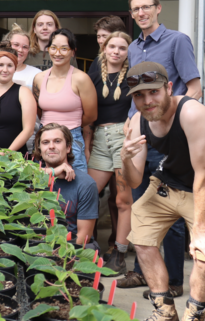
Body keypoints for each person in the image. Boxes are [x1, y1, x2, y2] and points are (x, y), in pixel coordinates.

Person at [118, 0, 202, 297]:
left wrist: (175, 120)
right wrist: (131, 122)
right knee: (142, 206)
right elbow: (137, 93)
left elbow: (194, 86)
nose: (140, 13)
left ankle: (175, 281)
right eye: (135, 9)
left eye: (145, 7)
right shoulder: (133, 47)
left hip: (168, 138)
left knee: (172, 210)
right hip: (140, 135)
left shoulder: (177, 41)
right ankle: (143, 274)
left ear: (157, 9)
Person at [121, 61, 205, 321]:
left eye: (154, 91)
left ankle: (194, 313)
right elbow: (133, 180)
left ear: (169, 88)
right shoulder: (139, 120)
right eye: (139, 95)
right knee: (141, 236)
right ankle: (164, 310)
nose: (147, 100)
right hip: (168, 183)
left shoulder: (191, 113)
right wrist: (125, 158)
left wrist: (198, 231)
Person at [87, 31, 133, 274]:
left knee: (122, 200)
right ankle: (86, 245)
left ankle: (119, 251)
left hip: (123, 139)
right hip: (99, 139)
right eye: (111, 46)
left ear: (128, 52)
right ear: (104, 49)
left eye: (122, 48)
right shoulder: (93, 77)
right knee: (88, 193)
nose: (116, 51)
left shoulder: (133, 77)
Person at [32, 28, 97, 172]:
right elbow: (38, 110)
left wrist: (69, 126)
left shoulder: (82, 79)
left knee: (75, 184)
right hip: (45, 137)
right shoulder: (39, 78)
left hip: (72, 138)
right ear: (48, 49)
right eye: (53, 48)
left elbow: (91, 115)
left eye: (64, 49)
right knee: (42, 186)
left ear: (73, 51)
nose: (57, 53)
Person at [33, 123, 99, 249]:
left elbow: (84, 236)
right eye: (45, 142)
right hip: (36, 246)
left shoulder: (85, 184)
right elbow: (16, 173)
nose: (51, 146)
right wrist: (53, 172)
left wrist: (55, 254)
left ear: (68, 147)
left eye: (57, 141)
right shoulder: (30, 178)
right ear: (39, 150)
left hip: (70, 248)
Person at [0, 24, 42, 90]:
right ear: (6, 44)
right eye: (16, 45)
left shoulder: (36, 74)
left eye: (25, 47)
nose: (20, 50)